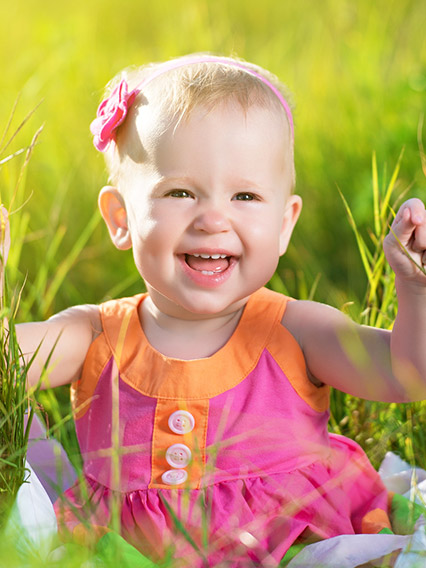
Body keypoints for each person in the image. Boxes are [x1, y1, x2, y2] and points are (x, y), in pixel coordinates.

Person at [2, 54, 426, 567]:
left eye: (245, 195)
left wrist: (416, 290)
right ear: (121, 218)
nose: (213, 218)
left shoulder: (297, 331)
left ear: (285, 223)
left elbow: (408, 376)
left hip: (288, 548)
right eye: (180, 191)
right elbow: (8, 366)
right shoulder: (94, 334)